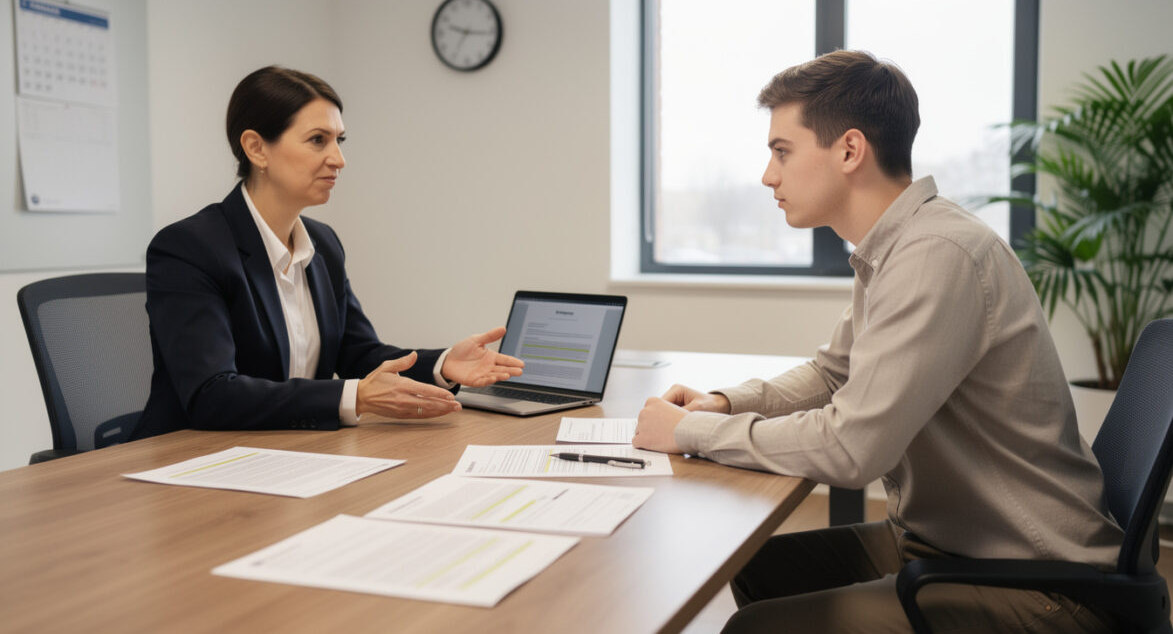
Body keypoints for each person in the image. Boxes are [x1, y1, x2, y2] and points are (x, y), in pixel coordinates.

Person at [632, 51, 1123, 633]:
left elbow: (852, 449)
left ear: (849, 151)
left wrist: (691, 432)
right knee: (757, 569)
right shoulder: (897, 247)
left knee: (755, 627)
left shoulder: (937, 254)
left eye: (782, 152)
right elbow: (831, 375)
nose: (768, 176)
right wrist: (723, 404)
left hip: (1038, 582)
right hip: (948, 545)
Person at [132, 66, 523, 439]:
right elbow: (212, 394)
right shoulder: (190, 248)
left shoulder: (324, 244)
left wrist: (442, 363)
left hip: (292, 450)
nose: (339, 159)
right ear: (256, 148)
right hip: (190, 458)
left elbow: (359, 354)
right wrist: (354, 397)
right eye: (318, 140)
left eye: (339, 140)